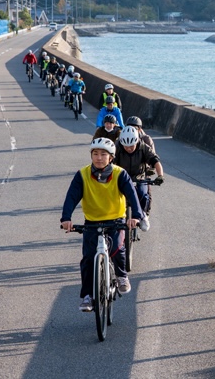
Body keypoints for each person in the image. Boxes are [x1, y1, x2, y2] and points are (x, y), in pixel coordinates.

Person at [61, 138, 149, 312]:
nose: (99, 158)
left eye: (103, 154)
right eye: (95, 154)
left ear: (111, 157)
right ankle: (88, 296)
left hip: (115, 220)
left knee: (116, 248)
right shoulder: (82, 174)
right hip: (92, 221)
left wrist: (136, 217)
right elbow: (71, 196)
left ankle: (122, 276)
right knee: (88, 258)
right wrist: (66, 218)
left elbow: (132, 195)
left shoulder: (120, 174)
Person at [115, 126, 164, 215]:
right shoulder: (117, 147)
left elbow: (155, 161)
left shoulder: (144, 147)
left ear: (137, 141)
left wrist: (160, 175)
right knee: (114, 196)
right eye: (126, 146)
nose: (129, 149)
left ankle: (143, 215)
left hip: (139, 177)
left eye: (131, 146)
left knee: (143, 195)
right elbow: (109, 162)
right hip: (122, 177)